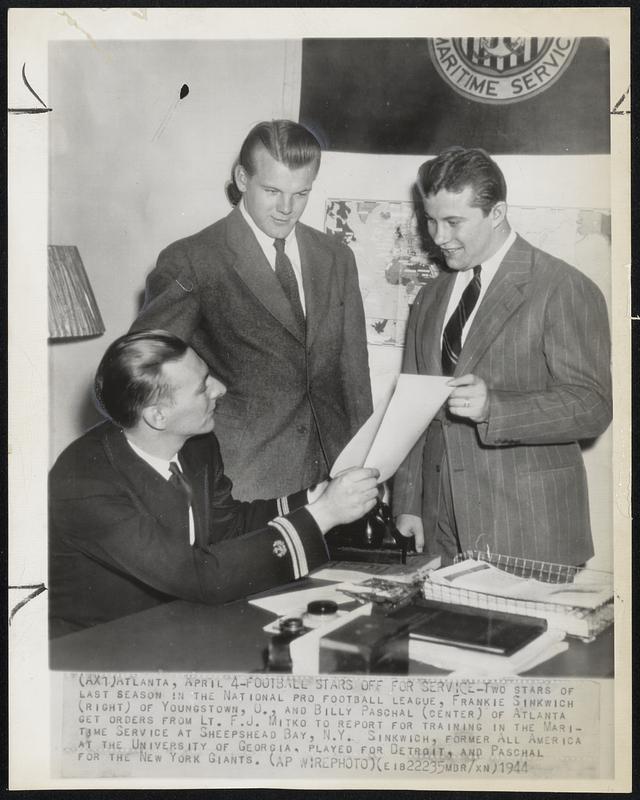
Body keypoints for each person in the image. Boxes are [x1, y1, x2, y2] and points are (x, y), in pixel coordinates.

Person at [49, 331, 379, 637]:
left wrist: (315, 497)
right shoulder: (83, 483)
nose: (219, 388)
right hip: (101, 644)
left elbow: (228, 524)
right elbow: (199, 575)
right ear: (158, 416)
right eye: (202, 387)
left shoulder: (197, 446)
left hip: (178, 624)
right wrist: (323, 515)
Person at [131, 120, 372, 500]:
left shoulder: (336, 257)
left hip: (332, 477)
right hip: (242, 483)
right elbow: (139, 377)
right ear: (243, 178)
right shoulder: (192, 259)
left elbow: (354, 376)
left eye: (301, 193)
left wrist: (365, 466)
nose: (287, 209)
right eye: (272, 190)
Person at [393, 147, 612, 566]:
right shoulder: (430, 296)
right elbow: (411, 408)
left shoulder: (561, 286)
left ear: (497, 213)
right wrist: (409, 501)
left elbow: (594, 406)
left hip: (529, 529)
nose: (438, 237)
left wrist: (495, 407)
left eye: (454, 222)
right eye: (431, 220)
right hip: (441, 529)